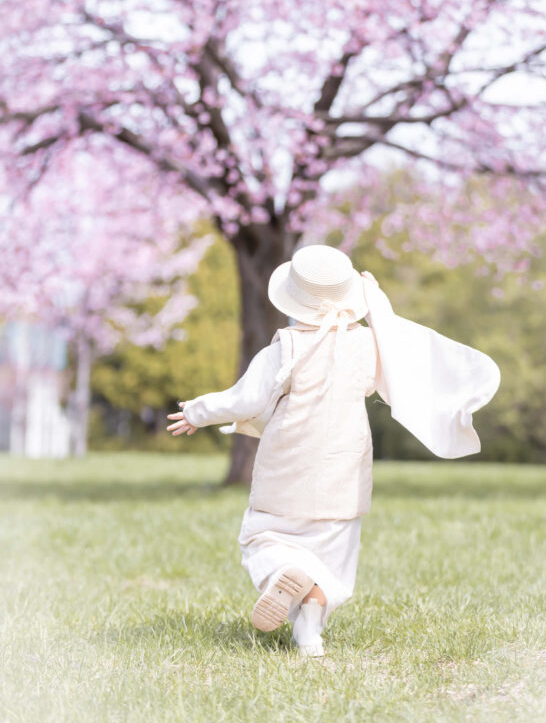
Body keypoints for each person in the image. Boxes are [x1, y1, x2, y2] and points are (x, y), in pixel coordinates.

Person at [167, 244, 500, 657]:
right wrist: (379, 308)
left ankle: (285, 571)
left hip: (287, 469)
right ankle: (309, 635)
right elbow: (405, 372)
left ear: (294, 299)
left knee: (264, 535)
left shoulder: (286, 347)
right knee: (334, 556)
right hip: (343, 473)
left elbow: (246, 398)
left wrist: (197, 412)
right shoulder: (369, 346)